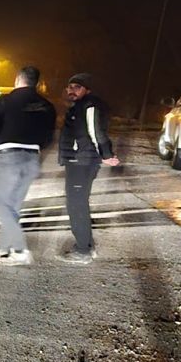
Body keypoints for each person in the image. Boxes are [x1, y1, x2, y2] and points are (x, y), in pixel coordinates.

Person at [0, 65, 57, 266]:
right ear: (36, 83)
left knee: (1, 203)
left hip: (6, 157)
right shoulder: (47, 106)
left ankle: (20, 249)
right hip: (31, 158)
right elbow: (48, 137)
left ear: (17, 79)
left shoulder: (4, 101)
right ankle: (4, 248)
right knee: (13, 205)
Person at [56, 72, 120, 263]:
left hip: (82, 161)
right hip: (77, 160)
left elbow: (96, 132)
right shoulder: (78, 106)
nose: (71, 90)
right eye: (70, 86)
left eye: (77, 87)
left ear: (87, 89)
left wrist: (106, 154)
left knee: (77, 204)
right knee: (77, 203)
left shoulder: (89, 105)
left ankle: (83, 250)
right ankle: (86, 244)